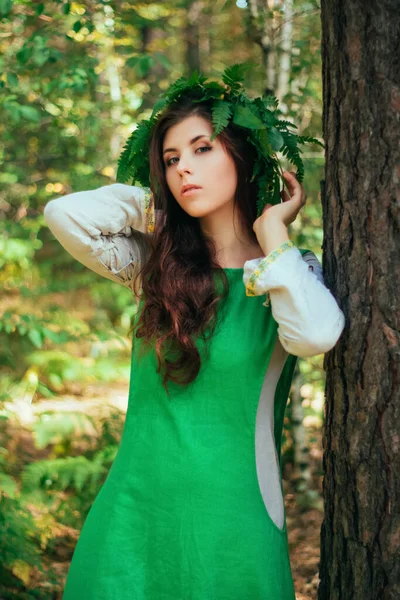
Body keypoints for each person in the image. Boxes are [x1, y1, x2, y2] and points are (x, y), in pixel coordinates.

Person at [43, 73, 345, 599]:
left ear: (241, 155)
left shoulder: (285, 276)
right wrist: (159, 205)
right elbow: (64, 214)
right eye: (171, 159)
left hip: (236, 526)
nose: (184, 167)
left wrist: (274, 234)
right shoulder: (154, 265)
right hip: (132, 520)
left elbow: (318, 335)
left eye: (202, 149)